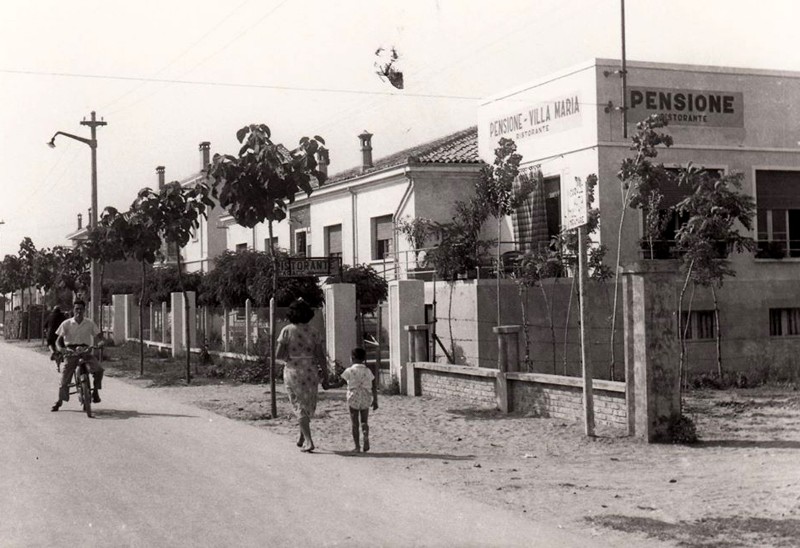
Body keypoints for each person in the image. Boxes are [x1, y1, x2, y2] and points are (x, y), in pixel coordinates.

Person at [275, 298, 328, 453]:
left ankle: (309, 440)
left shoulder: (287, 330)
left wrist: (289, 357)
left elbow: (278, 354)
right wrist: (326, 375)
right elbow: (321, 356)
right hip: (311, 371)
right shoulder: (314, 332)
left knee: (298, 405)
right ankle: (302, 437)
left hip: (293, 371)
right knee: (307, 404)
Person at [51, 300, 105, 412]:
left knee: (99, 370)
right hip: (71, 352)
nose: (79, 311)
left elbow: (100, 337)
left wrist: (100, 344)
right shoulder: (66, 324)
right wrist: (61, 349)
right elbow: (57, 341)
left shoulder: (90, 323)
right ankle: (60, 401)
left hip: (86, 351)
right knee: (65, 378)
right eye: (76, 309)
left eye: (81, 309)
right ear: (73, 310)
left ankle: (95, 391)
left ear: (84, 310)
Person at [340, 347, 378, 453]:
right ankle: (365, 432)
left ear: (352, 358)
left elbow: (340, 383)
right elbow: (374, 386)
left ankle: (357, 446)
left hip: (353, 396)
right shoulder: (368, 371)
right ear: (364, 358)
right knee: (364, 421)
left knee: (354, 423)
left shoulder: (349, 370)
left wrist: (329, 386)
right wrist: (375, 400)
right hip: (366, 395)